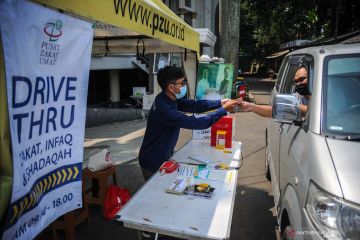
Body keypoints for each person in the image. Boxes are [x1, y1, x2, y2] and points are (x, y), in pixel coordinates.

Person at [139, 66, 239, 180]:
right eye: (182, 83)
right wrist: (223, 110)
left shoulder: (167, 98)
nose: (184, 85)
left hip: (162, 155)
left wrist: (219, 103)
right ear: (171, 87)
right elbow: (198, 123)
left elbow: (194, 105)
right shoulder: (164, 110)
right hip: (153, 161)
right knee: (155, 193)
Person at [241, 66, 311, 117]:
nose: (298, 83)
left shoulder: (321, 98)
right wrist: (251, 106)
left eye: (302, 79)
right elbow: (273, 110)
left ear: (313, 77)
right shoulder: (295, 97)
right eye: (296, 81)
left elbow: (318, 115)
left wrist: (298, 107)